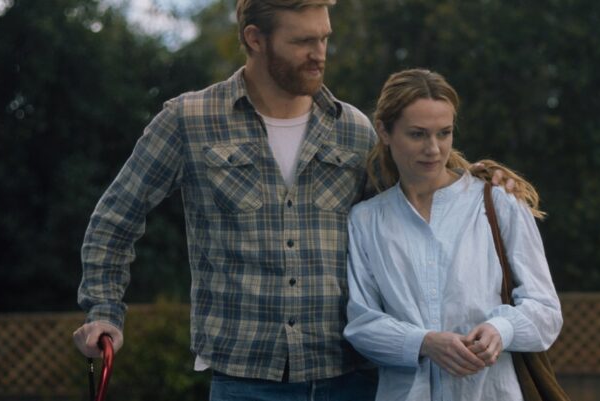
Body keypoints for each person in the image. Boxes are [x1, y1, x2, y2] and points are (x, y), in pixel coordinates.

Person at [72, 1, 510, 399]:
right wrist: (104, 312)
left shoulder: (353, 129)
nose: (319, 54)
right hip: (245, 381)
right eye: (302, 41)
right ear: (255, 39)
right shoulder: (189, 120)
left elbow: (416, 207)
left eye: (324, 38)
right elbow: (115, 219)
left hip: (351, 379)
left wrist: (480, 180)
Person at [342, 68, 563, 401]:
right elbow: (362, 325)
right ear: (384, 131)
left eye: (444, 133)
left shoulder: (498, 202)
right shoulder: (366, 220)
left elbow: (546, 311)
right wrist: (425, 343)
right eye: (417, 134)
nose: (433, 149)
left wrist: (500, 330)